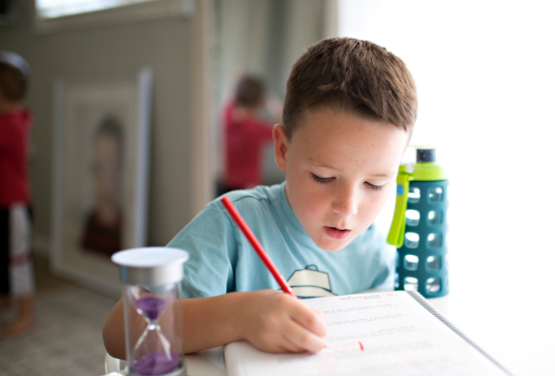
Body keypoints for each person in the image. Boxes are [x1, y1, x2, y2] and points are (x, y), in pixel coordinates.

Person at [103, 38, 417, 359]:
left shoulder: (375, 255)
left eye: (375, 184)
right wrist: (238, 316)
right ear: (282, 149)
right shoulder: (233, 226)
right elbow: (119, 333)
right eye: (324, 177)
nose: (347, 209)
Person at [0, 52, 36, 338]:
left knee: (17, 259)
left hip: (14, 207)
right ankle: (3, 298)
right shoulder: (15, 115)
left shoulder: (6, 126)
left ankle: (26, 312)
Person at [218, 75, 281, 195]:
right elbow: (284, 129)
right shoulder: (256, 129)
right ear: (259, 102)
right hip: (247, 188)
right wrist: (276, 108)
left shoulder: (227, 115)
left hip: (225, 184)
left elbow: (236, 79)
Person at [80, 116, 123, 257]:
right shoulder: (89, 224)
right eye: (100, 168)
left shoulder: (126, 230)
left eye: (112, 169)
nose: (105, 181)